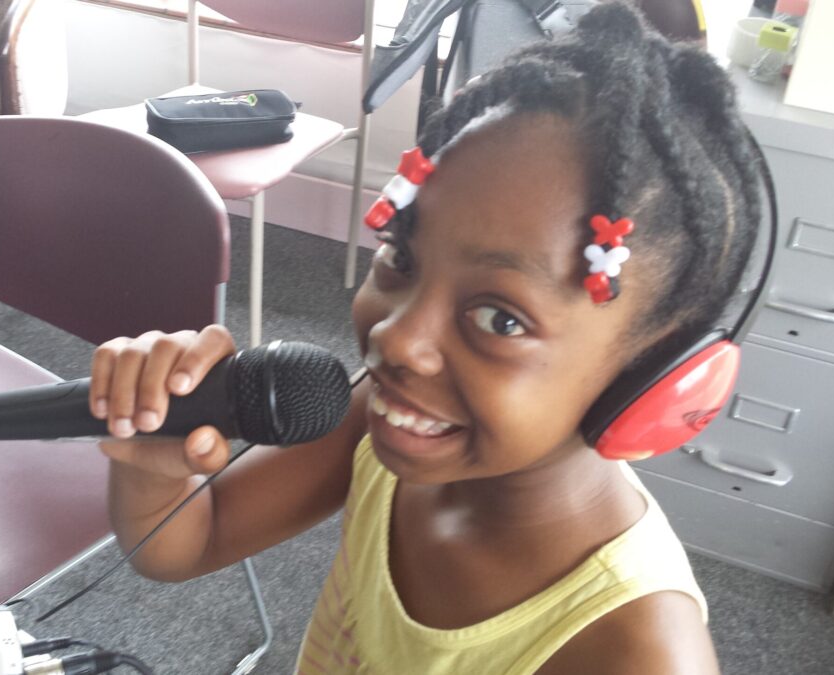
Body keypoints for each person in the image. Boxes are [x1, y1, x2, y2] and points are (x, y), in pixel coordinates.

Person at [89, 3, 764, 672]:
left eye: (501, 318)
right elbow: (181, 544)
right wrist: (154, 465)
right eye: (401, 259)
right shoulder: (384, 425)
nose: (395, 336)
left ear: (649, 378)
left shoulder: (634, 652)